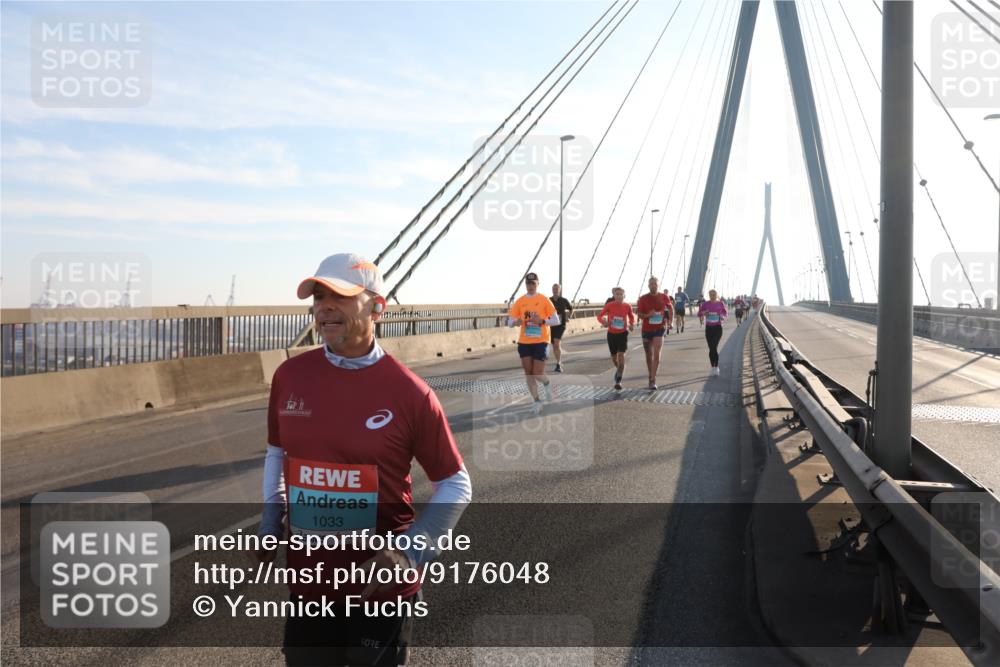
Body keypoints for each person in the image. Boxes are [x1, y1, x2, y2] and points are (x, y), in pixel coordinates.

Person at [257, 252, 472, 665]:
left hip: (381, 594)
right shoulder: (290, 376)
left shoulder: (410, 393)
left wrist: (409, 552)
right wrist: (270, 520)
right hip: (310, 588)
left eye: (340, 296)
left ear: (377, 306)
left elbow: (456, 483)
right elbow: (277, 452)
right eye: (318, 296)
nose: (324, 307)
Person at [508, 272, 561, 414]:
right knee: (528, 373)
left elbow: (556, 320)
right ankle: (537, 401)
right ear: (525, 285)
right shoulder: (520, 301)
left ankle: (547, 383)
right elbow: (509, 322)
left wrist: (542, 321)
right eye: (528, 284)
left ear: (538, 284)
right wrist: (515, 322)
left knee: (537, 373)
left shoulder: (544, 300)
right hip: (524, 342)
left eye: (533, 283)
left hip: (541, 341)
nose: (530, 286)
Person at [637, 277, 672, 390]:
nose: (653, 286)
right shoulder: (643, 298)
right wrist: (648, 315)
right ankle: (650, 375)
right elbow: (640, 314)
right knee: (649, 356)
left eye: (655, 284)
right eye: (651, 284)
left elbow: (670, 308)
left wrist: (671, 321)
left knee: (656, 354)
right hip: (646, 330)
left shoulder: (663, 297)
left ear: (658, 285)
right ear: (648, 286)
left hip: (659, 328)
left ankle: (653, 379)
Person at [597, 287, 635, 390]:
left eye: (620, 294)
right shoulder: (609, 305)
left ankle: (618, 380)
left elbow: (631, 317)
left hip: (622, 334)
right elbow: (599, 316)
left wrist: (631, 324)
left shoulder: (627, 306)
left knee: (621, 355)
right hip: (611, 334)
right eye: (617, 294)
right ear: (614, 296)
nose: (619, 296)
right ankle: (619, 369)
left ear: (624, 295)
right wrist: (603, 322)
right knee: (614, 358)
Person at [697, 289, 728, 376]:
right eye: (710, 294)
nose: (712, 295)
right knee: (711, 348)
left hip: (718, 328)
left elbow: (725, 314)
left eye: (714, 294)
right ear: (709, 295)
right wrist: (704, 312)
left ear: (717, 295)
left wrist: (722, 317)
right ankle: (712, 368)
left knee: (714, 346)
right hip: (709, 328)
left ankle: (717, 367)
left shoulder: (720, 303)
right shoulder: (705, 304)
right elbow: (699, 314)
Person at [549, 283, 573, 373]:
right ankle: (558, 360)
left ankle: (558, 363)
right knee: (554, 346)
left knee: (556, 344)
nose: (555, 290)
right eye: (554, 289)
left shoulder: (563, 300)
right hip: (550, 325)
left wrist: (568, 316)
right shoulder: (548, 300)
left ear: (559, 290)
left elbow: (571, 308)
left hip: (560, 325)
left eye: (557, 289)